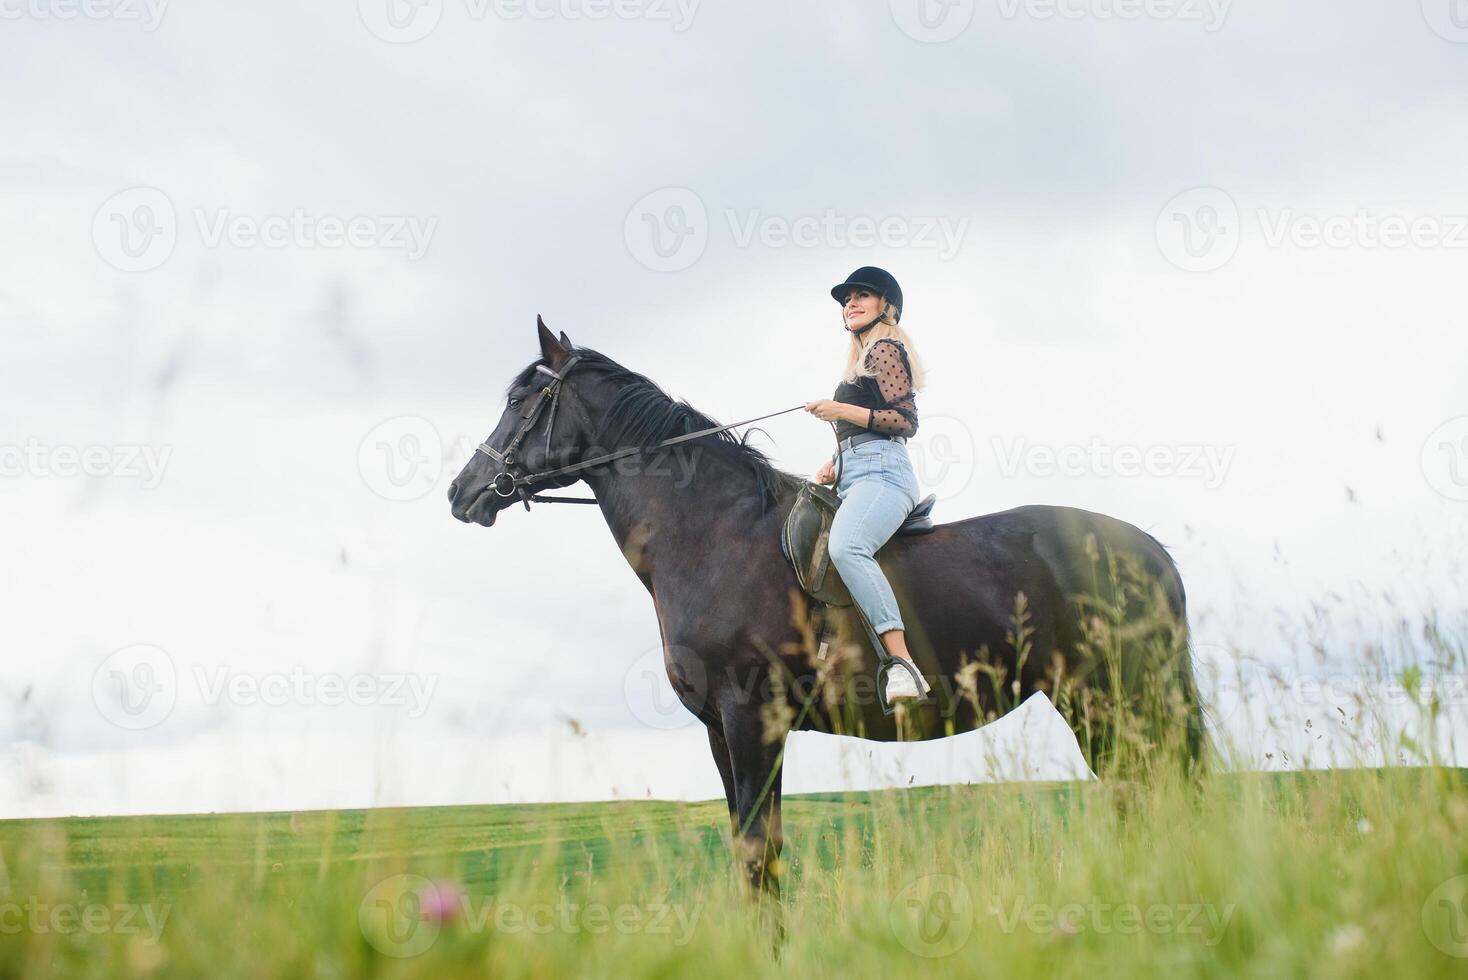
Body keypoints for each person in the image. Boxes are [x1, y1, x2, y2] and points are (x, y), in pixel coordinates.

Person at [803, 267, 930, 703]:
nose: (850, 303)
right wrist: (834, 462)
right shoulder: (859, 363)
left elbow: (905, 421)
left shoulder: (886, 351)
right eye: (846, 299)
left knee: (847, 547)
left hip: (884, 476)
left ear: (885, 307)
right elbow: (864, 436)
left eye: (862, 296)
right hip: (855, 474)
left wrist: (840, 409)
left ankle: (903, 666)